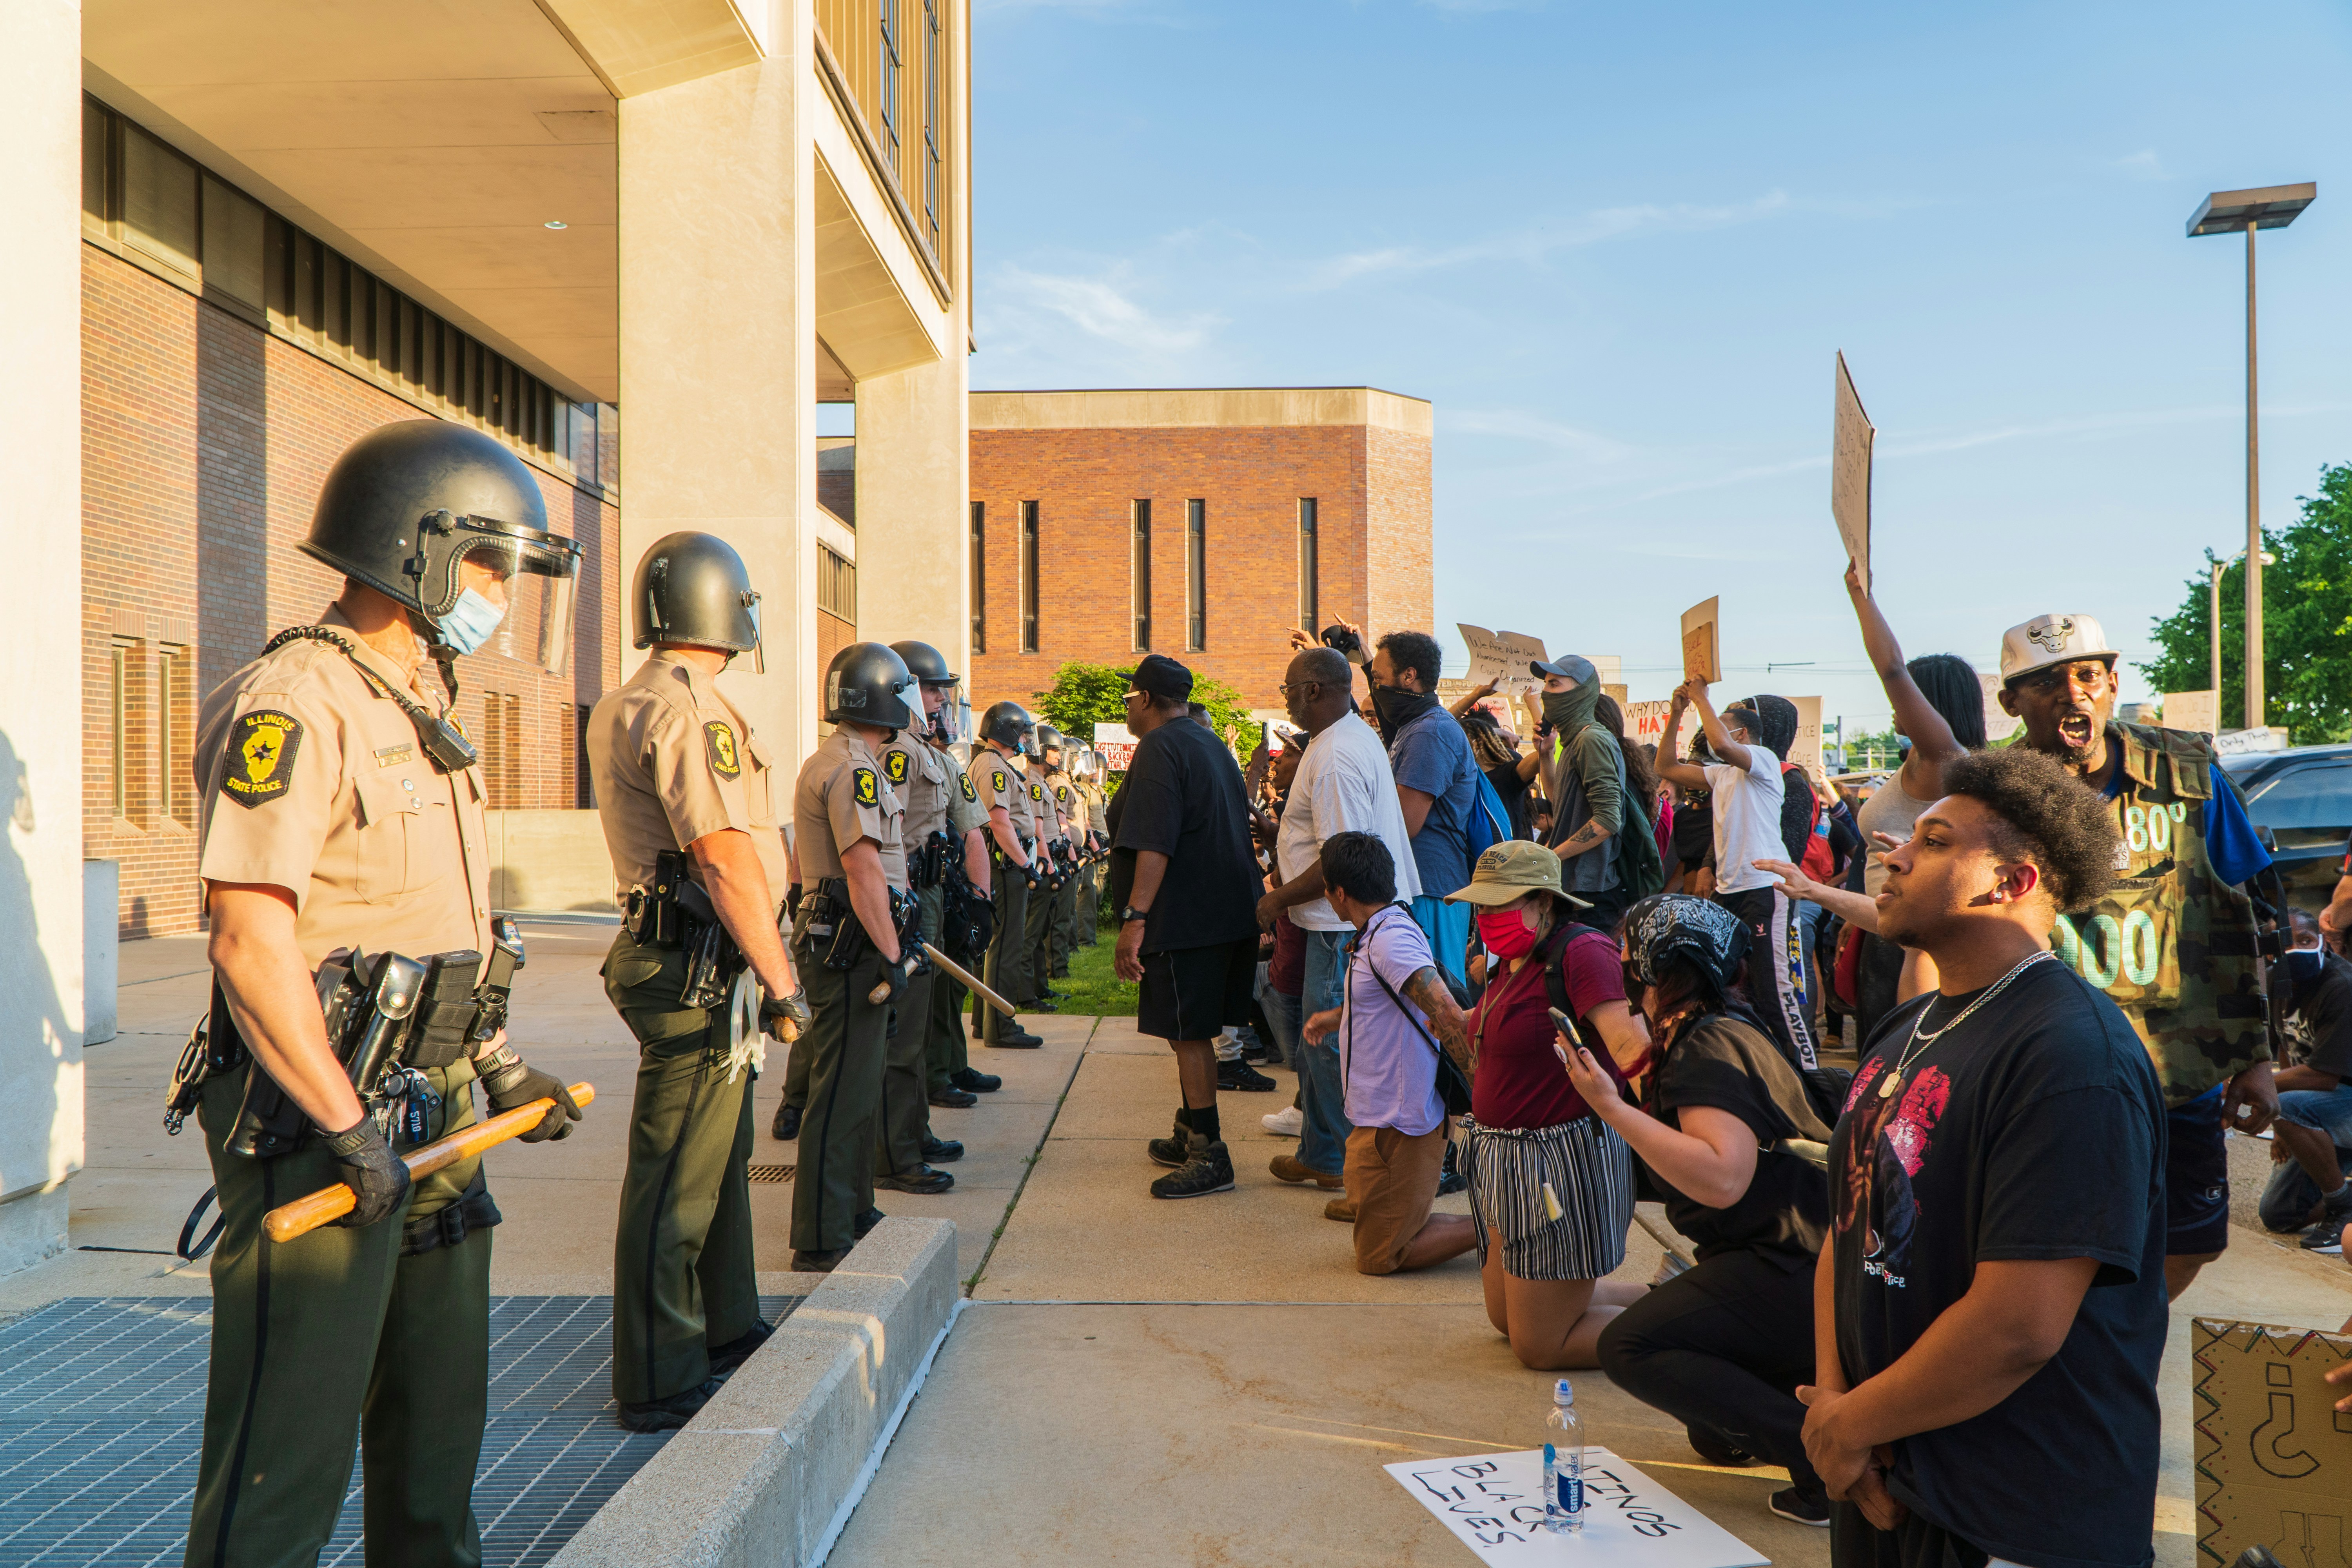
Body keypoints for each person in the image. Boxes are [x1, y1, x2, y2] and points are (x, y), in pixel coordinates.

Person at [184, 419, 586, 1558]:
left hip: (434, 1112)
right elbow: (250, 940)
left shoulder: (420, 699)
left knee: (436, 1441)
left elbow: (444, 930)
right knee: (285, 1454)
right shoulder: (296, 699)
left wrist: (501, 1067)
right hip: (323, 1116)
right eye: (489, 566)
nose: (502, 594)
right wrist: (346, 1124)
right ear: (416, 550)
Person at [1798, 746, 2165, 1568]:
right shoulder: (1910, 1023)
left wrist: (1851, 1425)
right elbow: (1849, 1227)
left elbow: (2017, 1325)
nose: (1893, 853)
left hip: (2013, 1512)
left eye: (1933, 841)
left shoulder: (2072, 1055)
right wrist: (1835, 1404)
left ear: (2011, 882)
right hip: (1885, 1473)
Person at [588, 529, 810, 1428]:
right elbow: (723, 857)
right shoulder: (690, 710)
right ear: (727, 608)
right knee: (677, 1170)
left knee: (717, 1155)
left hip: (687, 956)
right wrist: (782, 977)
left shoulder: (633, 699)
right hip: (700, 963)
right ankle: (657, 1370)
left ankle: (722, 1323)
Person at [1996, 612, 2281, 1298]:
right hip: (2055, 1072)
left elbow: (2246, 913)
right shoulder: (1998, 795)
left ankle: (2121, 1336)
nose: (2074, 693)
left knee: (2191, 1239)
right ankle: (2091, 1353)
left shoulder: (2186, 772)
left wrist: (2257, 1058)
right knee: (2058, 1241)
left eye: (2088, 675)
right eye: (2046, 682)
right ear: (2012, 702)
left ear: (2114, 683)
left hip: (2177, 1064)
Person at [1570, 896, 1835, 1525]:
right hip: (1805, 1255)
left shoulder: (1705, 1043)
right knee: (1713, 1432)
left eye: (1634, 963)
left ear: (1665, 969)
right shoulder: (1725, 1024)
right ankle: (1802, 1411)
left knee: (1631, 1346)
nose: (1627, 976)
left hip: (1792, 1263)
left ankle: (1825, 1458)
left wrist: (1612, 1108)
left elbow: (1723, 1176)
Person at [1445, 843, 1648, 1367]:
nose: (1487, 917)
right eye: (1482, 906)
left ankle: (1701, 1323)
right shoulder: (1512, 963)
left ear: (1544, 901)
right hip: (1503, 1163)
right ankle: (1675, 1297)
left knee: (1540, 1345)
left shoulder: (1582, 953)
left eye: (1499, 903)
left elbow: (1630, 1051)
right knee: (1506, 1321)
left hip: (1557, 1165)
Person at [1256, 646, 1421, 1192]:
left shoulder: (1334, 755)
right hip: (1337, 925)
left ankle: (1344, 1167)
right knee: (1320, 1045)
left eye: (1287, 690)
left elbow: (1341, 858)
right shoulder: (1346, 739)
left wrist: (1277, 900)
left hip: (1339, 928)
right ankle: (1321, 1150)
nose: (1286, 700)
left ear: (1312, 690)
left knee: (1330, 1048)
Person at [785, 642, 924, 1271]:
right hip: (851, 942)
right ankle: (822, 1233)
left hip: (853, 935)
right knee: (841, 1088)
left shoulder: (850, 758)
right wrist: (892, 954)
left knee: (859, 1081)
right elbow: (863, 868)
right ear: (882, 696)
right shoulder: (853, 768)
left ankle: (854, 1207)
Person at [1110, 654, 1263, 1198]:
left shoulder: (1159, 746)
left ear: (1147, 700)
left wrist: (1135, 919)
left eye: (1129, 698)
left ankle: (1210, 1152)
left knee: (1190, 1034)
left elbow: (1155, 841)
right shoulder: (1208, 741)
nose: (1128, 708)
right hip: (1230, 910)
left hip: (1188, 914)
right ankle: (1189, 1127)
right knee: (1190, 1029)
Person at [1301, 832, 1479, 1273]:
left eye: (1326, 887)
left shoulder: (1390, 939)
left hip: (1400, 1123)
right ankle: (1404, 1216)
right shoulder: (1378, 931)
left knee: (1380, 1256)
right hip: (1378, 1116)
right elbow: (1387, 998)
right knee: (1374, 1218)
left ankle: (1502, 1224)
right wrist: (1339, 1016)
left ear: (1339, 893)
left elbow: (1447, 1014)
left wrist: (1487, 1096)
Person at [865, 640, 993, 1191]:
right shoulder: (897, 752)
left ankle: (913, 1135)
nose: (943, 698)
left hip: (930, 895)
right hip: (907, 895)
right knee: (904, 1034)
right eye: (935, 687)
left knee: (917, 1030)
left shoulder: (925, 749)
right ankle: (895, 1153)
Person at [1841, 562, 1985, 1036]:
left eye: (1905, 697)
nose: (1894, 704)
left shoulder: (1943, 761)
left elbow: (1892, 668)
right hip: (1885, 928)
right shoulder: (1917, 766)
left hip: (1917, 946)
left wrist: (1861, 597)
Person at [1657, 680, 1820, 1070]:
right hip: (1732, 894)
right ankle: (1764, 1073)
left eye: (1718, 722)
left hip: (1766, 891)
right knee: (1740, 990)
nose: (1708, 731)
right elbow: (1665, 768)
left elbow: (1726, 747)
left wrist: (1699, 697)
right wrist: (1677, 712)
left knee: (1776, 993)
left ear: (1743, 733)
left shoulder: (1762, 759)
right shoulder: (1723, 776)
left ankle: (1811, 1083)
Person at [1369, 630, 1481, 984]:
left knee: (1436, 1003)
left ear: (1409, 677)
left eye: (1378, 678)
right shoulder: (1417, 726)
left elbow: (1405, 823)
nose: (1375, 687)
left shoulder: (1428, 733)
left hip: (1432, 890)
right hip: (1427, 886)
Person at [2258, 909, 2352, 1252]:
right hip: (2326, 1110)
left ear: (2323, 943)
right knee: (2279, 1215)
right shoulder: (2274, 983)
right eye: (2284, 944)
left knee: (2286, 1104)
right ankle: (2345, 1194)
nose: (2294, 950)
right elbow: (2287, 1048)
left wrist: (2276, 1107)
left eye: (2305, 941)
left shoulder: (2342, 987)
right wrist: (2283, 1128)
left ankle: (2343, 1206)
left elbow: (2324, 1076)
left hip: (2339, 1100)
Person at [1521, 655, 1636, 930]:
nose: (1546, 692)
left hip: (1590, 896)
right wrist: (1546, 753)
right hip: (1574, 889)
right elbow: (1558, 800)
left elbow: (1608, 820)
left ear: (1581, 692)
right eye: (1546, 684)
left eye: (1555, 684)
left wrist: (1552, 856)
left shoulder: (1591, 740)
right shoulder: (1574, 742)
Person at [966, 703, 1047, 1051]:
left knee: (997, 946)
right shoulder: (993, 767)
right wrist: (1026, 866)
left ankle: (987, 1022)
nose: (1027, 739)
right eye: (1023, 732)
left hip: (1005, 864)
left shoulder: (995, 764)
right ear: (1008, 733)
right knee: (1006, 945)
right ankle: (1001, 1025)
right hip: (1006, 866)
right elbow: (999, 823)